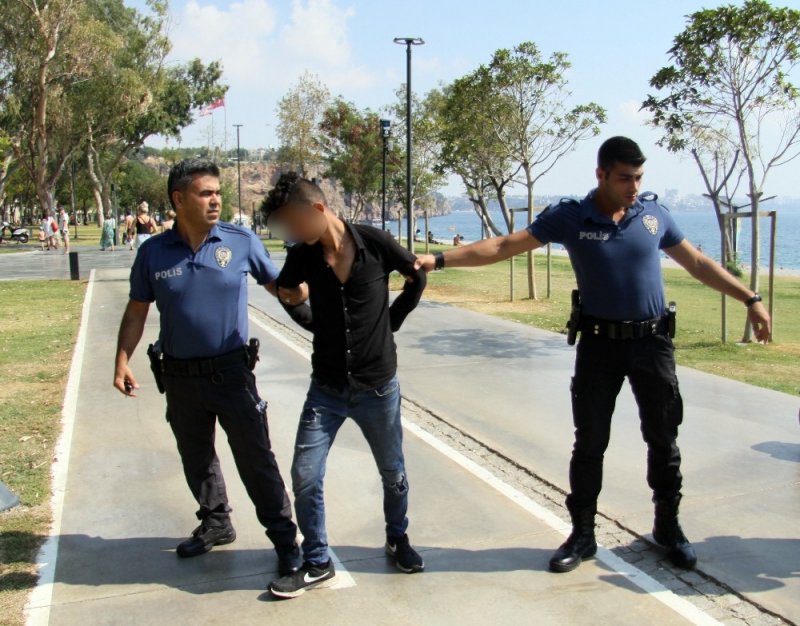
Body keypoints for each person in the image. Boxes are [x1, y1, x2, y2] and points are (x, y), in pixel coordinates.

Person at [417, 137, 771, 574]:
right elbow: (505, 246)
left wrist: (750, 298)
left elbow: (697, 263)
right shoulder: (571, 216)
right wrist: (438, 259)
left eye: (639, 177)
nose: (634, 187)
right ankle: (582, 534)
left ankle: (668, 527)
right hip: (599, 345)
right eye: (625, 178)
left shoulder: (653, 215)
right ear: (601, 174)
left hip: (652, 344)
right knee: (589, 443)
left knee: (663, 439)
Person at [113, 159, 307, 577]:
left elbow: (281, 288)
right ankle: (216, 522)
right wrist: (122, 360)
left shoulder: (240, 241)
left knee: (256, 459)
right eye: (205, 193)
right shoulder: (152, 253)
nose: (216, 199)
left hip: (232, 374)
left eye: (218, 191)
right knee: (196, 458)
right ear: (179, 199)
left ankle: (285, 540)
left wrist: (304, 294)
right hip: (179, 377)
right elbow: (136, 312)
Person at [261, 172, 427, 599]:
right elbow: (286, 292)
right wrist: (304, 314)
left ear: (317, 209)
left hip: (378, 389)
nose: (292, 234)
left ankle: (398, 538)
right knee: (305, 473)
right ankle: (317, 561)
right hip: (327, 390)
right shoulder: (303, 255)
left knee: (394, 474)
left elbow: (416, 277)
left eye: (293, 224)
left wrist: (390, 324)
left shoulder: (375, 242)